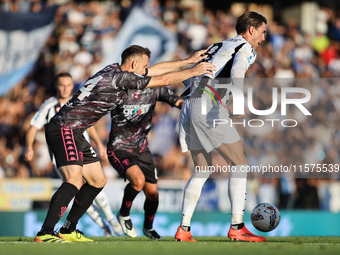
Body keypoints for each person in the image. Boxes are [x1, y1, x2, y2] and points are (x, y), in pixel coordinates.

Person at [33, 45, 215, 243]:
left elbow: (156, 71)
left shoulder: (115, 70)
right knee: (74, 180)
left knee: (97, 181)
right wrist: (194, 71)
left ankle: (68, 229)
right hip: (64, 127)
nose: (147, 69)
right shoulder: (121, 79)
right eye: (144, 65)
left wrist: (189, 60)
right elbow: (163, 79)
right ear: (134, 63)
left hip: (76, 130)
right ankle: (45, 232)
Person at [175, 11, 268, 242]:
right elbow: (237, 71)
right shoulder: (245, 47)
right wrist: (237, 100)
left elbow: (188, 77)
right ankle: (237, 227)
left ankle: (183, 229)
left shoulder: (218, 45)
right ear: (251, 30)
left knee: (202, 170)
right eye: (263, 32)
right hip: (209, 104)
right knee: (240, 164)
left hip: (189, 104)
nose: (263, 38)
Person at [25, 73, 123, 237]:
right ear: (57, 86)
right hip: (64, 150)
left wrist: (98, 143)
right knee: (75, 184)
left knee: (97, 181)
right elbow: (33, 127)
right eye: (61, 85)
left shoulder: (75, 102)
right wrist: (29, 147)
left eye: (68, 85)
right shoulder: (49, 105)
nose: (65, 89)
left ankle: (109, 218)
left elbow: (89, 125)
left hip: (82, 144)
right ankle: (101, 225)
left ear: (72, 86)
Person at [107, 82, 183, 239]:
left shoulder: (154, 89)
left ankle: (148, 228)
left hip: (142, 150)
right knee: (138, 181)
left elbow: (177, 102)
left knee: (153, 194)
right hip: (120, 147)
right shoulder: (119, 89)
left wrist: (194, 109)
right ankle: (123, 214)